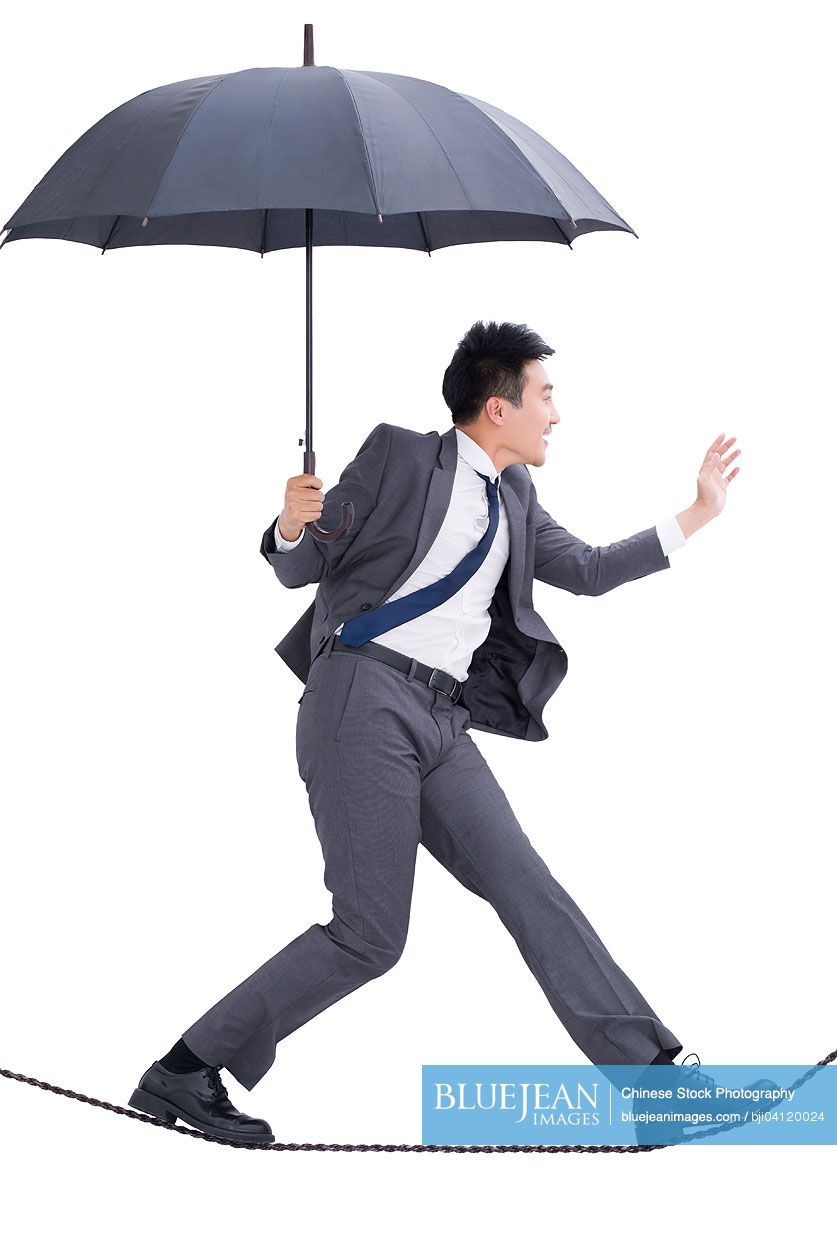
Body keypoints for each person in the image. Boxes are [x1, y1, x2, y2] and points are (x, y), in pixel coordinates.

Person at [129, 320, 741, 1144]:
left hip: (441, 721)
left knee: (529, 885)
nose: (555, 414)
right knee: (370, 935)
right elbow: (300, 566)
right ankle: (187, 1067)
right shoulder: (397, 455)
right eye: (545, 395)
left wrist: (696, 513)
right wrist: (290, 521)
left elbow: (589, 570)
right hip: (360, 700)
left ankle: (653, 1080)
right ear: (497, 407)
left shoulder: (515, 496)